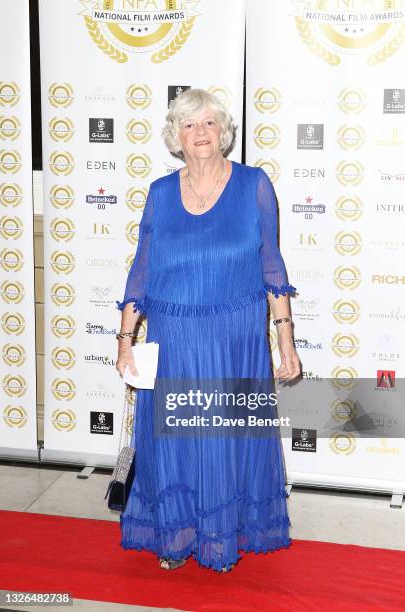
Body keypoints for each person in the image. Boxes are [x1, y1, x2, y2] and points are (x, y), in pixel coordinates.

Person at [115, 88, 300, 573]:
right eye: (189, 125)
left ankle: (220, 541)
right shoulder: (159, 192)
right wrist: (124, 340)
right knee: (175, 443)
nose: (200, 133)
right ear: (176, 136)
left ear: (224, 133)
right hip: (174, 338)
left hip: (234, 340)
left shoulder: (254, 185)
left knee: (224, 440)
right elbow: (143, 270)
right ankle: (175, 536)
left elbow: (272, 266)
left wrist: (286, 343)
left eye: (209, 124)